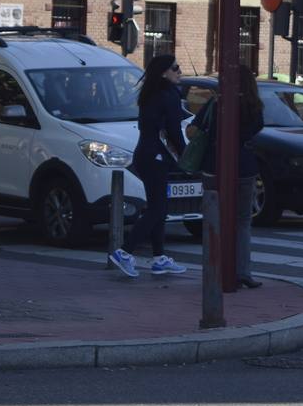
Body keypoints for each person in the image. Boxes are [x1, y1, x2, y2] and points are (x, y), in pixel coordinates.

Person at [109, 54, 186, 278]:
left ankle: (159, 257)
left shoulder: (150, 94)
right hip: (156, 157)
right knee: (158, 208)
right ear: (164, 72)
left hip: (145, 153)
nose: (179, 71)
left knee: (157, 207)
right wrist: (186, 156)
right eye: (175, 68)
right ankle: (125, 251)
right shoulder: (168, 95)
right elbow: (173, 130)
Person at [194, 66, 266, 288]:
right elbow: (257, 129)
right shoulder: (254, 106)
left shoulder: (217, 103)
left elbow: (196, 126)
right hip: (244, 166)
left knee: (214, 219)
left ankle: (215, 270)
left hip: (214, 165)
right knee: (243, 221)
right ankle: (243, 271)